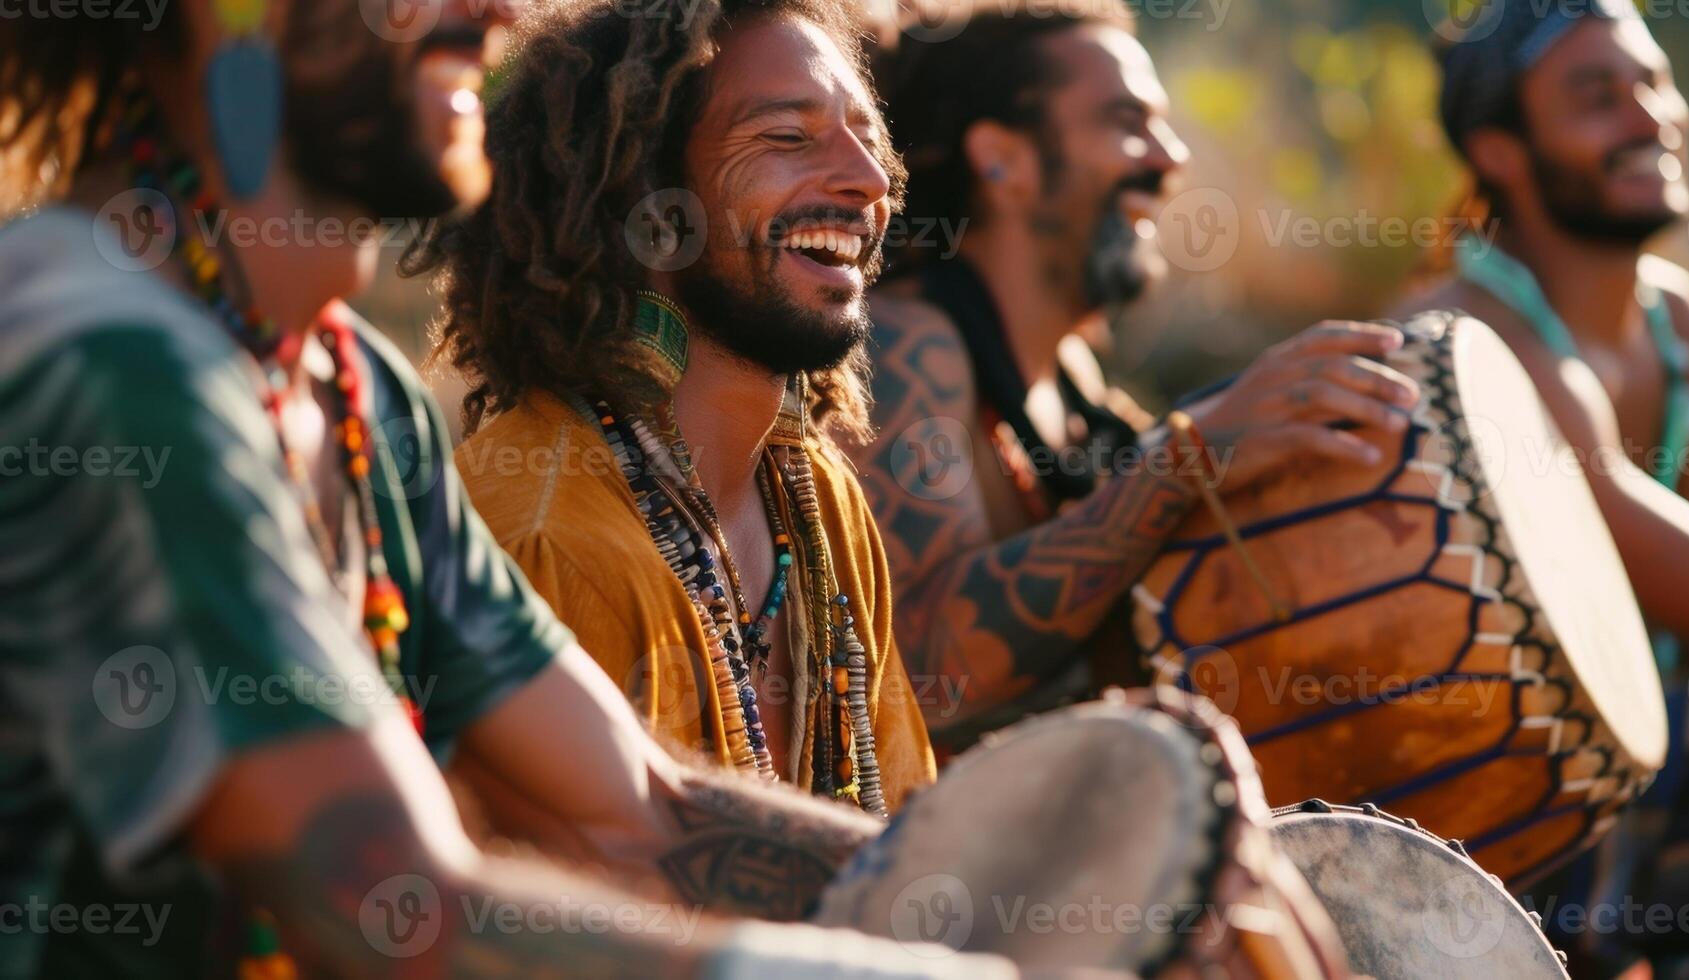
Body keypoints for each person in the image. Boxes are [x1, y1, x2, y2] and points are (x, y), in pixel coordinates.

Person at [0, 1, 1017, 975]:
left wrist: (1024, 904)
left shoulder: (360, 390)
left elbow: (639, 803)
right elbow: (393, 908)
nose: (495, 9)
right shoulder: (101, 363)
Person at [853, 0, 1420, 747]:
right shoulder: (905, 344)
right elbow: (924, 665)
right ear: (1002, 158)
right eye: (1125, 121)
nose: (1169, 156)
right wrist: (1185, 458)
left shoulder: (1073, 371)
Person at [423, 0, 935, 812]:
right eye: (786, 138)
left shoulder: (818, 502)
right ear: (654, 207)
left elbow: (904, 835)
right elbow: (578, 907)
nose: (867, 180)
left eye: (867, 139)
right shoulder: (548, 534)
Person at [1394, 1, 1689, 973]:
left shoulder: (1673, 318)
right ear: (1499, 149)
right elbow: (1635, 535)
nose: (1648, 117)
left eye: (1653, 82)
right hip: (1497, 787)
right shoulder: (1471, 330)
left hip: (1642, 738)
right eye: (1598, 96)